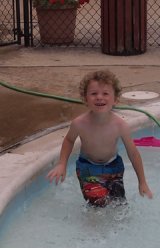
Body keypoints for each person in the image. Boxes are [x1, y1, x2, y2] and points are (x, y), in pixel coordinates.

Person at [46, 70, 153, 206]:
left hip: (114, 168)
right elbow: (69, 140)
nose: (99, 97)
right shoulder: (79, 123)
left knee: (118, 204)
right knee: (97, 202)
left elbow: (133, 153)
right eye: (94, 93)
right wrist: (62, 164)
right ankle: (94, 225)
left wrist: (142, 182)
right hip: (88, 167)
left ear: (115, 99)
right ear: (85, 98)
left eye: (105, 93)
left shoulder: (120, 125)